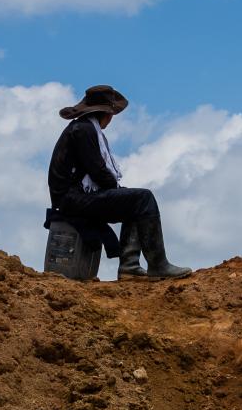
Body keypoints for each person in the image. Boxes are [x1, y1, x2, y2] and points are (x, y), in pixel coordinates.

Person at [46, 85, 192, 280]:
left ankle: (130, 267)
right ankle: (156, 264)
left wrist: (119, 191)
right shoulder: (84, 131)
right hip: (72, 200)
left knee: (134, 200)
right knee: (142, 198)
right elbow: (98, 171)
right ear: (106, 113)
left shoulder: (82, 128)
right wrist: (116, 189)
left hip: (73, 197)